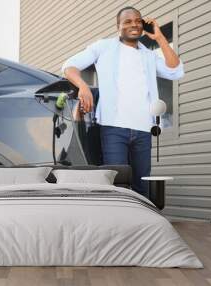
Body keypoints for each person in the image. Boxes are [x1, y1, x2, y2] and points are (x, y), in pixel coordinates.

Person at [61, 6, 184, 198]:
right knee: (116, 185)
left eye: (138, 21)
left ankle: (139, 224)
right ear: (118, 27)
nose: (134, 24)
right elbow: (69, 67)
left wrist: (159, 38)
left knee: (142, 186)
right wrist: (83, 87)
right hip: (113, 128)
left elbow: (175, 71)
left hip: (144, 129)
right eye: (127, 21)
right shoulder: (103, 47)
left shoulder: (148, 55)